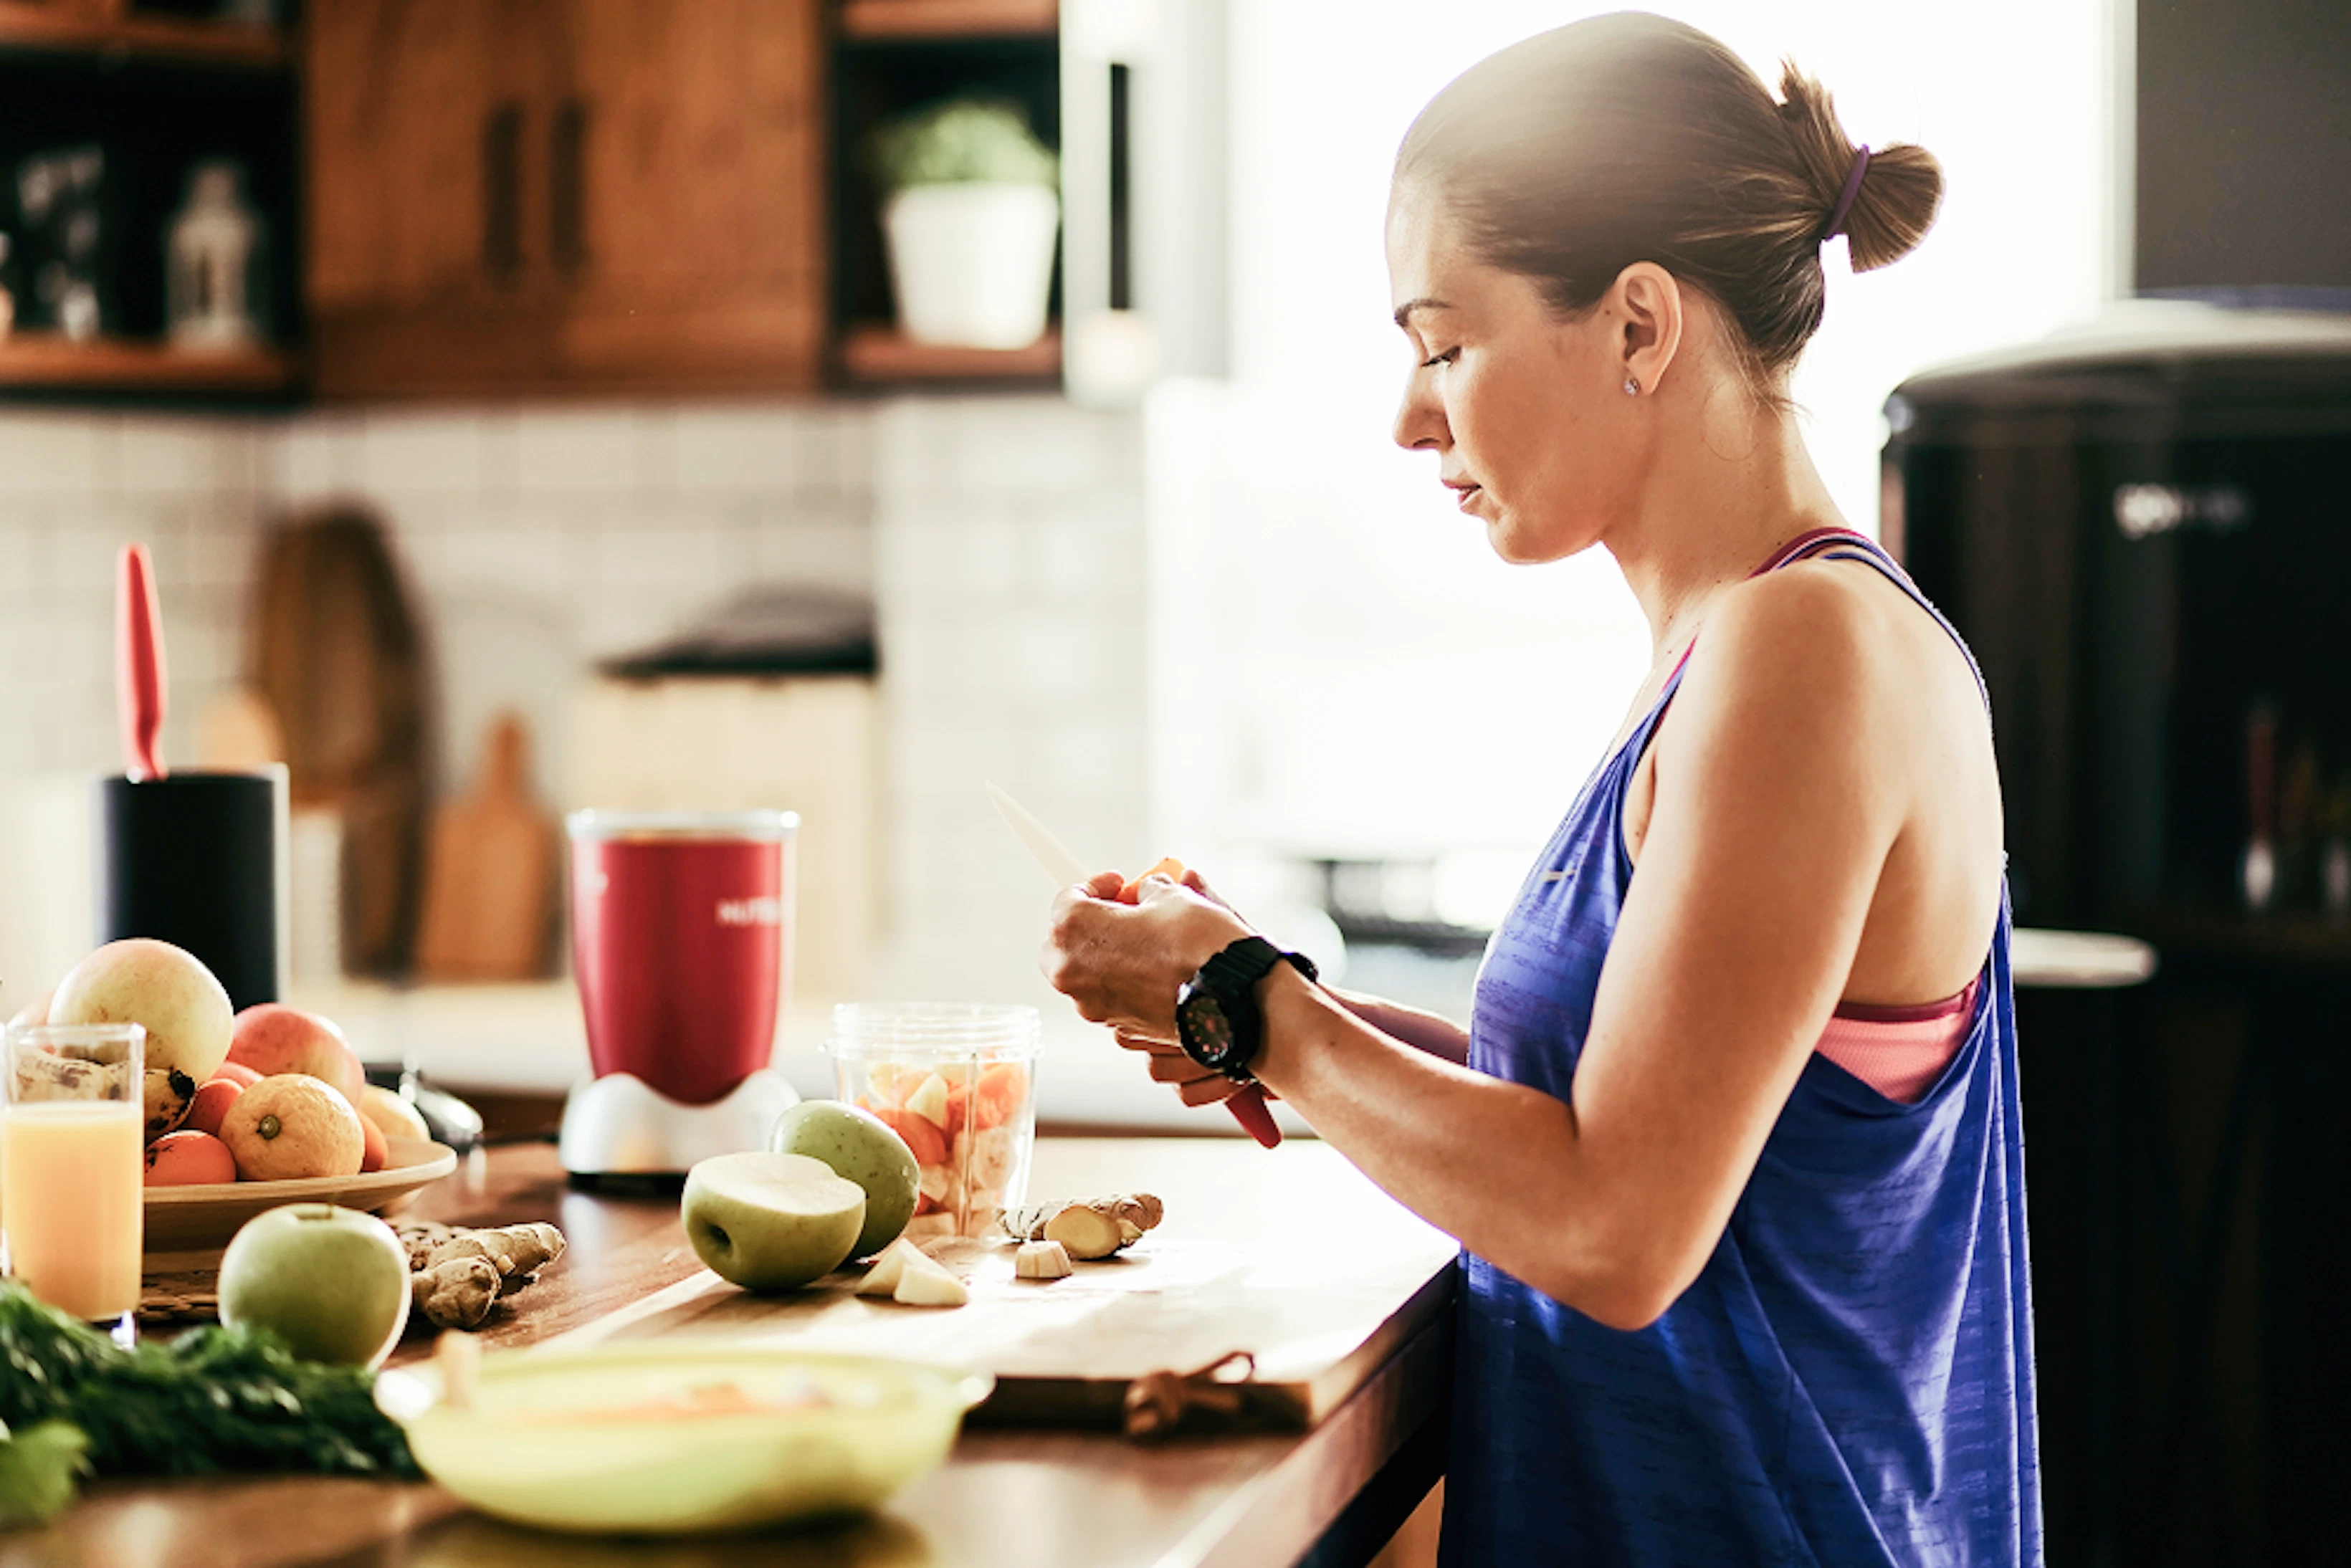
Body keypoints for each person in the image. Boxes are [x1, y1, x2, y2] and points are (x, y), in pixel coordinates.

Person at [1039, 13, 2038, 1567]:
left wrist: (1254, 1007)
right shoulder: (1741, 646)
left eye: (1442, 341)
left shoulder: (1803, 650)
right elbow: (1626, 1103)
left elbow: (1616, 1229)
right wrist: (1268, 999)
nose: (1408, 413)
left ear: (1639, 325)